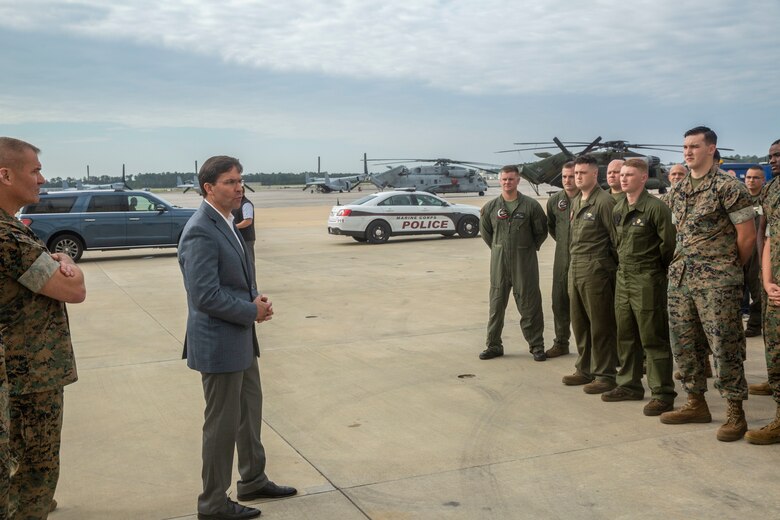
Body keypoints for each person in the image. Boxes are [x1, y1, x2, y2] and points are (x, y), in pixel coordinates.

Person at [178, 155, 296, 520]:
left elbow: (236, 279)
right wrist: (251, 312)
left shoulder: (229, 222)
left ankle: (253, 480)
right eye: (229, 182)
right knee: (221, 425)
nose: (238, 187)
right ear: (208, 188)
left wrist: (254, 298)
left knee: (249, 412)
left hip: (239, 338)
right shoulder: (201, 228)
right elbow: (204, 295)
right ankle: (213, 503)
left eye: (240, 180)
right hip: (219, 343)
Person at [0, 137, 86, 517]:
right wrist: (68, 264)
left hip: (28, 372)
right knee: (33, 472)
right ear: (5, 174)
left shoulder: (13, 229)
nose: (41, 178)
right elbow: (73, 288)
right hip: (26, 377)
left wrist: (61, 255)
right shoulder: (6, 237)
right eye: (34, 170)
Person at [660, 126, 756, 442]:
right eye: (685, 147)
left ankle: (734, 413)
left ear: (711, 149)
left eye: (695, 146)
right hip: (682, 280)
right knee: (685, 345)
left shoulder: (728, 187)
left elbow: (747, 237)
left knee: (725, 346)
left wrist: (726, 270)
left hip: (718, 283)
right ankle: (695, 403)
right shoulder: (677, 190)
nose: (688, 152)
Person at [601, 158, 677, 415]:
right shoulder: (618, 207)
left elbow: (668, 246)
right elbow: (615, 242)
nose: (623, 179)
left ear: (643, 178)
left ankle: (662, 393)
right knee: (625, 335)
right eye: (621, 175)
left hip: (647, 279)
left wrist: (654, 272)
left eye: (629, 175)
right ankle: (629, 385)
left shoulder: (656, 208)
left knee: (653, 338)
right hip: (624, 278)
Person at [479, 165, 548, 361]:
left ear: (518, 181)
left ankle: (537, 346)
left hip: (524, 263)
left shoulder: (530, 206)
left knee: (530, 305)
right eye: (504, 179)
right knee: (496, 305)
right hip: (499, 264)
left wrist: (524, 249)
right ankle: (493, 345)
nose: (507, 182)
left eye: (511, 179)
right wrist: (500, 249)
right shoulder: (491, 207)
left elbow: (541, 231)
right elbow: (486, 234)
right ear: (500, 181)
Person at [562, 155, 619, 393]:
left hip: (596, 270)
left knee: (600, 324)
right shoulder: (576, 201)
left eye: (582, 173)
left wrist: (607, 268)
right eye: (576, 173)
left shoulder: (604, 202)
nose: (578, 177)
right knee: (579, 323)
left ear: (595, 174)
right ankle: (584, 369)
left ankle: (605, 374)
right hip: (575, 268)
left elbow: (617, 240)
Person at [745, 139, 780, 444]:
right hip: (775, 285)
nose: (773, 160)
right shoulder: (772, 190)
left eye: (778, 155)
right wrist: (766, 279)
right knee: (774, 345)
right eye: (770, 156)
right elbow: (766, 237)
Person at [545, 162, 578, 358]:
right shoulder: (555, 201)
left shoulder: (589, 199)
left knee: (585, 307)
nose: (567, 180)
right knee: (559, 302)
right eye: (564, 177)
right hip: (561, 259)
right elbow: (551, 227)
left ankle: (593, 349)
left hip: (584, 260)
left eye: (571, 176)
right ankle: (561, 342)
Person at [743, 166, 766, 337]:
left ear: (763, 180)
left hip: (758, 252)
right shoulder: (739, 199)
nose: (751, 180)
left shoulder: (766, 199)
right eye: (749, 177)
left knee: (757, 291)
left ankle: (754, 325)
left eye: (756, 178)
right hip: (739, 250)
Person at [232, 186, 256, 266]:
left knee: (248, 262)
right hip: (237, 237)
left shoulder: (246, 204)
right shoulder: (235, 204)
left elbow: (248, 221)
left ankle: (251, 278)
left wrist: (233, 227)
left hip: (246, 239)